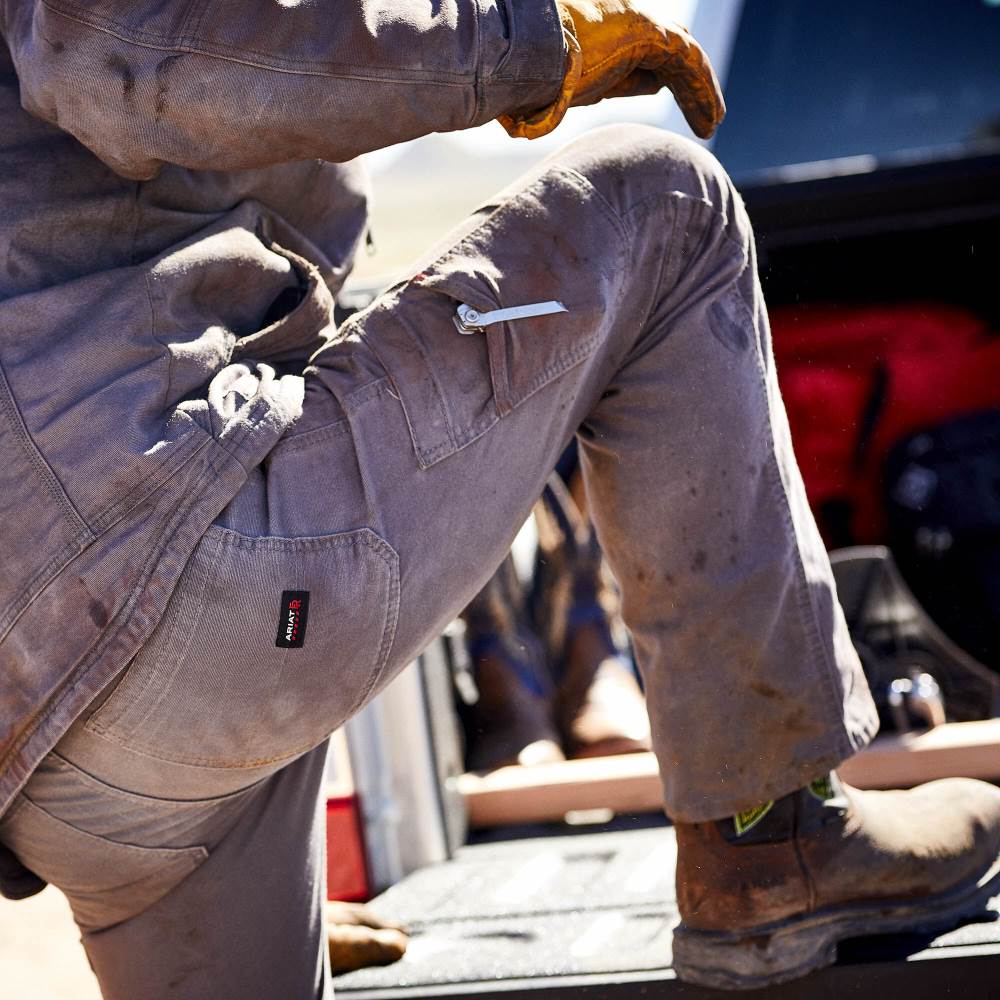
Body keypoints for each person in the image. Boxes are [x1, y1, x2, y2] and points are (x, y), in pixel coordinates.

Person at [0, 2, 998, 995]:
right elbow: (129, 47)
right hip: (166, 567)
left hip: (60, 743)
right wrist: (526, 42)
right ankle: (771, 836)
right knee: (663, 207)